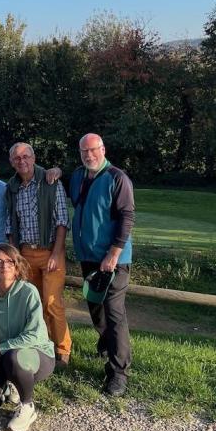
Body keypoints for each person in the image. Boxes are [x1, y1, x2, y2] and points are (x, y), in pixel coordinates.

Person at [69, 133, 135, 397]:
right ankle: (107, 345)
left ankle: (119, 372)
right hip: (88, 257)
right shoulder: (77, 176)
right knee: (95, 308)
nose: (89, 155)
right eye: (84, 151)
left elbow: (127, 216)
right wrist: (54, 171)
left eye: (93, 150)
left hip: (114, 260)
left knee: (114, 311)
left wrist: (114, 252)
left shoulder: (117, 178)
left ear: (103, 149)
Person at [0, 243, 55, 431]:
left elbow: (35, 334)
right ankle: (10, 386)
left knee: (13, 356)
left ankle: (27, 406)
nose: (4, 266)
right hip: (2, 358)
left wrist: (0, 348)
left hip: (37, 356)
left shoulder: (28, 292)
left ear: (17, 266)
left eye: (10, 261)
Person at [6, 142, 72, 369]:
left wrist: (56, 253)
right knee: (33, 304)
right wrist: (15, 255)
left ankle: (62, 350)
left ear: (33, 158)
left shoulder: (50, 181)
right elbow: (10, 223)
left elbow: (62, 221)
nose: (21, 161)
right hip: (25, 253)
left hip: (50, 251)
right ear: (12, 162)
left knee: (52, 302)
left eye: (26, 156)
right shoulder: (12, 187)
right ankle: (43, 345)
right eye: (16, 158)